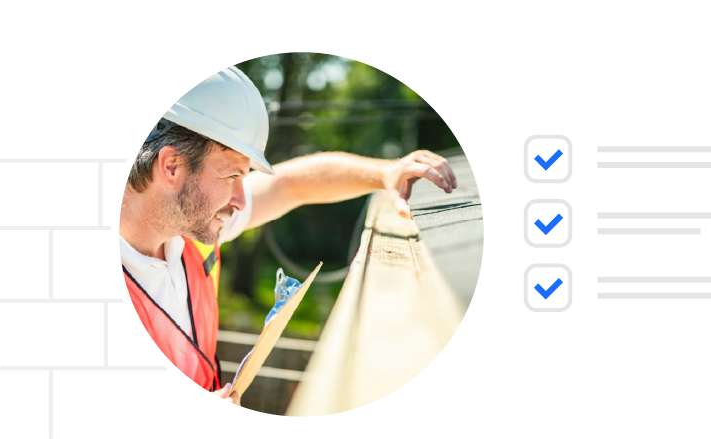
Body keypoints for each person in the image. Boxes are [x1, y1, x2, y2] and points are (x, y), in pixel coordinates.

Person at [119, 66, 457, 405]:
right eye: (232, 176)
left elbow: (291, 184)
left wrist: (387, 172)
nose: (240, 199)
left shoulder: (189, 226)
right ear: (172, 166)